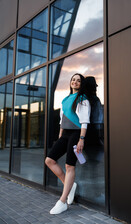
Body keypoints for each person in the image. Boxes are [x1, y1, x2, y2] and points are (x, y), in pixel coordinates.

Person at [45, 73, 91, 215]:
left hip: (76, 133)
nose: (75, 82)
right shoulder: (65, 99)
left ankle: (63, 201)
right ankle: (70, 185)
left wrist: (81, 138)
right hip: (64, 135)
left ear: (81, 84)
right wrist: (60, 136)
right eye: (73, 80)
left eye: (78, 81)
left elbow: (84, 121)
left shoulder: (83, 100)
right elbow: (62, 121)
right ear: (70, 82)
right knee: (49, 160)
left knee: (69, 165)